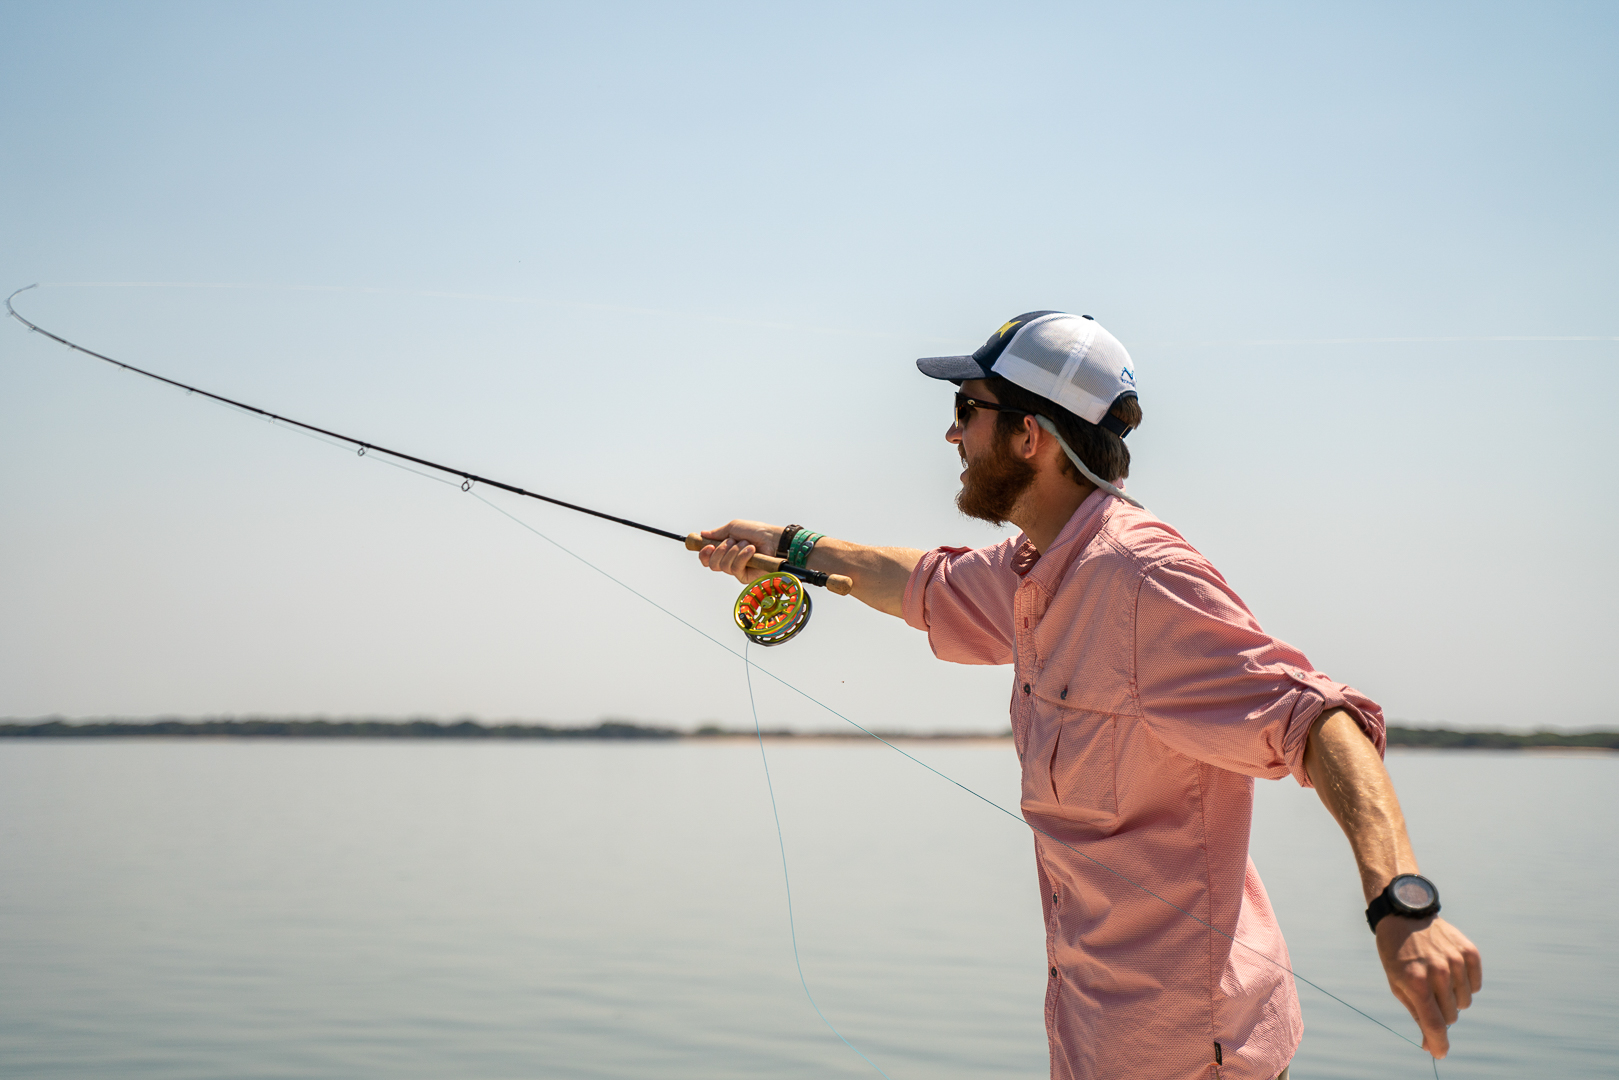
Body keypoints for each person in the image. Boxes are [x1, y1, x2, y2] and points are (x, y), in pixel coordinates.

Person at [696, 311, 1483, 1080]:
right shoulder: (1032, 569)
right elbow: (921, 582)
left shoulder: (1143, 578)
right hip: (1097, 1037)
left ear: (1029, 435)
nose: (951, 436)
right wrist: (789, 547)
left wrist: (1401, 907)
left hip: (1191, 1052)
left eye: (966, 411)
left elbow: (1320, 721)